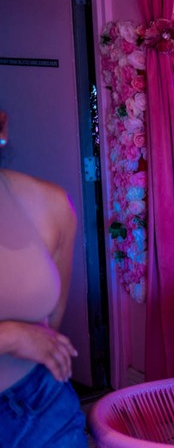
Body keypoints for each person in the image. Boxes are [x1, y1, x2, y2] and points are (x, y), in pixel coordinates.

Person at [0, 109, 87, 446]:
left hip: (40, 406)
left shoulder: (52, 205)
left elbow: (52, 323)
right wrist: (8, 338)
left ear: (2, 126)